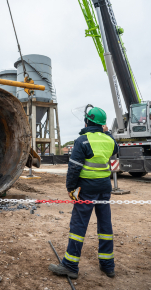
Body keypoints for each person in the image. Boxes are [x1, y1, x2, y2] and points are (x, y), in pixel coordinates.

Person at [49, 106, 118, 279]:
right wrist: (107, 133)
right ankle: (108, 265)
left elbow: (74, 168)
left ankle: (70, 265)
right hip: (104, 188)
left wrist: (70, 188)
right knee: (105, 225)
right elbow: (116, 149)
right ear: (102, 125)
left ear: (87, 121)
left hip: (86, 189)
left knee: (79, 225)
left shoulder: (82, 140)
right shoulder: (110, 141)